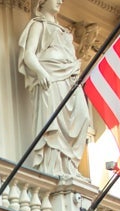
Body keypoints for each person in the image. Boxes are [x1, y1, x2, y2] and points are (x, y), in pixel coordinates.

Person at [18, 0, 89, 178]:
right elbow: (28, 54)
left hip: (69, 77)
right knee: (53, 121)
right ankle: (54, 167)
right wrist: (40, 72)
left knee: (83, 117)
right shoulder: (38, 24)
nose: (60, 1)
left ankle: (70, 166)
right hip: (51, 77)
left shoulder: (63, 29)